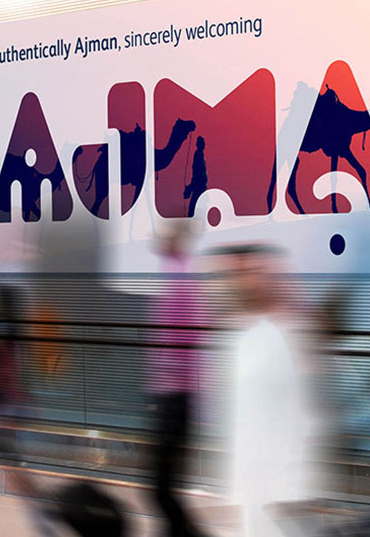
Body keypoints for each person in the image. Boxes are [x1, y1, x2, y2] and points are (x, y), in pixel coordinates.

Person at [225, 244, 312, 537]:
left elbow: (295, 409)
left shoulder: (284, 332)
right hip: (255, 466)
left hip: (276, 468)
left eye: (255, 272)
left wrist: (288, 480)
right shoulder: (248, 333)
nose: (245, 280)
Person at [148, 222, 208, 537]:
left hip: (176, 394)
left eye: (164, 234)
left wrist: (171, 382)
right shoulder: (174, 273)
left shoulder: (182, 277)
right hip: (172, 393)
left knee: (160, 487)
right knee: (163, 486)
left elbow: (186, 340)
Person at [185, 136, 209, 217]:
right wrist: (192, 185)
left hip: (200, 186)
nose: (203, 145)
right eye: (202, 143)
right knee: (194, 208)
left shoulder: (200, 154)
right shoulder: (198, 154)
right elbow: (197, 171)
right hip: (198, 185)